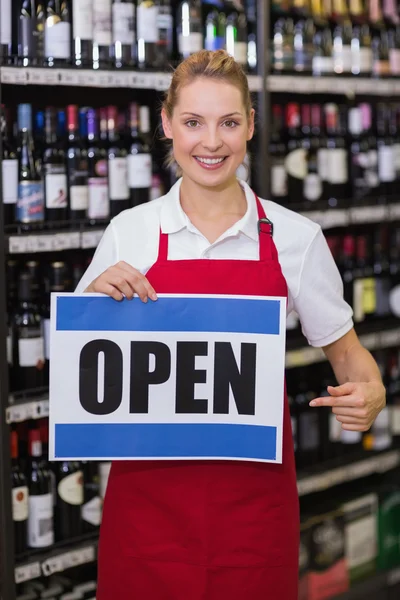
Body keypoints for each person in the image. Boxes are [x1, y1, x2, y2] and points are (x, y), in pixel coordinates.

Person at [75, 50, 385, 599]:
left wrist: (371, 390)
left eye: (229, 122)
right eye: (193, 122)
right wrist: (94, 304)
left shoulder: (295, 239)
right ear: (167, 124)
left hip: (254, 520)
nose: (211, 142)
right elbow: (78, 379)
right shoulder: (130, 232)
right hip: (146, 518)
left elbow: (349, 357)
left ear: (250, 126)